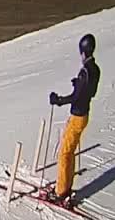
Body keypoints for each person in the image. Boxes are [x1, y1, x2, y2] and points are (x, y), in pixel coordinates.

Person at [42, 34, 100, 204]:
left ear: (83, 51)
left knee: (64, 154)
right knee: (70, 152)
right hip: (84, 115)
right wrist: (79, 85)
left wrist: (58, 100)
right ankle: (65, 185)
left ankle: (60, 191)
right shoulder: (95, 69)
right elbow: (91, 92)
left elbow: (75, 98)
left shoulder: (85, 71)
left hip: (77, 116)